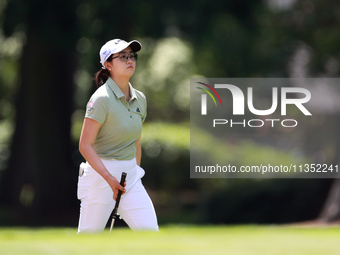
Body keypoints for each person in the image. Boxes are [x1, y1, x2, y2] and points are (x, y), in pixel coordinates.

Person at [77, 39, 159, 233]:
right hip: (100, 177)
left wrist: (136, 172)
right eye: (122, 57)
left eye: (131, 56)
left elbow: (135, 142)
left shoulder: (140, 98)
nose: (129, 60)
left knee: (151, 235)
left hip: (130, 178)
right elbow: (85, 145)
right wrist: (108, 178)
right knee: (88, 241)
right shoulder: (101, 99)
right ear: (108, 65)